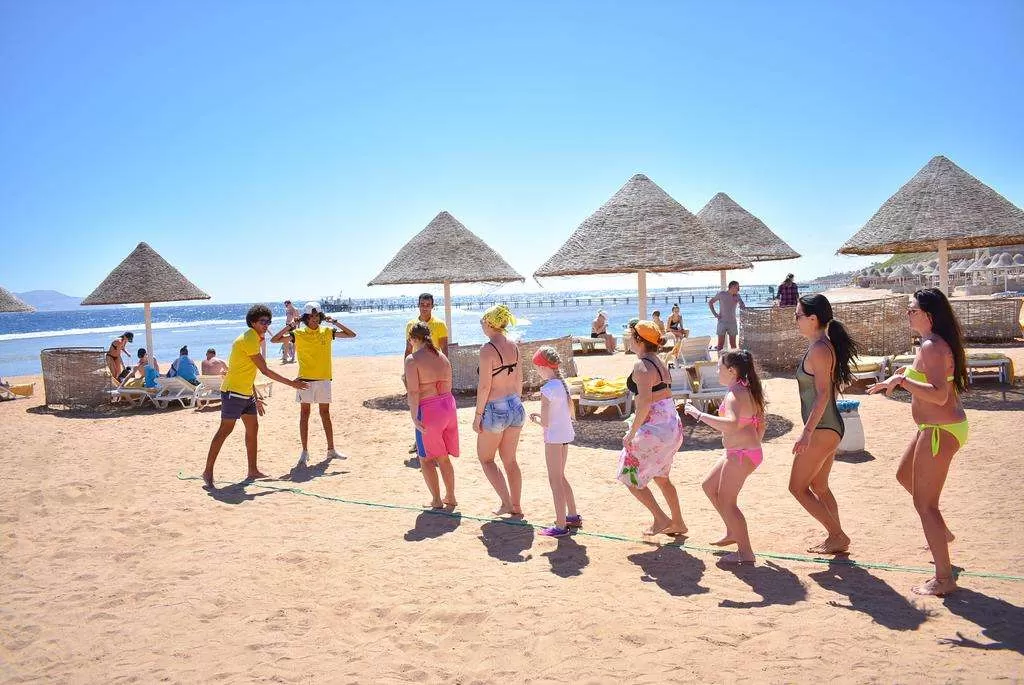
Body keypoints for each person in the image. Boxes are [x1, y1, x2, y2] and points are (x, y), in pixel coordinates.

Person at [868, 288, 968, 596]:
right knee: (904, 475)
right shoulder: (929, 344)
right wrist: (903, 374)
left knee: (925, 504)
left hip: (940, 429)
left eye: (912, 310)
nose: (908, 314)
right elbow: (928, 378)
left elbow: (939, 395)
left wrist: (902, 381)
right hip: (934, 427)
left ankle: (944, 578)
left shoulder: (932, 346)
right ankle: (942, 533)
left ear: (929, 315)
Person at [201, 305, 308, 488]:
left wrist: (255, 397)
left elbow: (246, 370)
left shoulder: (255, 338)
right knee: (225, 430)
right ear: (252, 322)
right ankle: (207, 471)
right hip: (233, 392)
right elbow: (264, 370)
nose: (266, 325)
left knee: (253, 429)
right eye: (262, 322)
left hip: (246, 393)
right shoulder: (250, 337)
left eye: (268, 322)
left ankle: (252, 470)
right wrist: (292, 383)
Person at [791, 294, 859, 555]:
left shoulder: (820, 349)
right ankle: (835, 538)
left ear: (812, 319)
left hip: (822, 429)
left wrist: (806, 433)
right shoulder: (820, 345)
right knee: (819, 487)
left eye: (798, 315)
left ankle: (837, 535)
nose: (795, 320)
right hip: (829, 427)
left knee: (797, 488)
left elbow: (822, 396)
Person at [684, 350, 766, 564]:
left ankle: (745, 553)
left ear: (731, 370)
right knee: (709, 486)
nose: (716, 371)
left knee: (727, 502)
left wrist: (699, 414)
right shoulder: (746, 388)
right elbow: (760, 422)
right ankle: (732, 531)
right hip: (741, 452)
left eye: (719, 367)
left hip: (741, 454)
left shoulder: (735, 394)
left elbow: (732, 424)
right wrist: (753, 444)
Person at [617, 320, 686, 536]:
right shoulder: (659, 361)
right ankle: (678, 523)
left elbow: (645, 403)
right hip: (671, 425)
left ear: (639, 340)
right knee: (662, 478)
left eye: (630, 335)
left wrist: (631, 433)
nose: (628, 338)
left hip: (655, 428)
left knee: (629, 476)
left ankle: (661, 519)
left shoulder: (641, 366)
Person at [270, 302, 356, 468]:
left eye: (317, 316)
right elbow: (274, 340)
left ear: (320, 317)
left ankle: (331, 449)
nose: (315, 319)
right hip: (305, 380)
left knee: (325, 414)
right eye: (311, 316)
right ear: (306, 318)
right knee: (305, 414)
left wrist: (334, 322)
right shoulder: (298, 333)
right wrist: (290, 325)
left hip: (324, 379)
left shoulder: (327, 331)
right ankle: (304, 451)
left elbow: (351, 334)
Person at [474, 304, 525, 517]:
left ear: (489, 323)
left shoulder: (487, 350)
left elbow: (485, 386)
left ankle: (506, 503)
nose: (481, 325)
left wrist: (478, 415)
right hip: (515, 405)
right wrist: (516, 403)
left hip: (496, 408)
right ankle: (516, 505)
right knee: (510, 460)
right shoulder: (514, 346)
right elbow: (519, 379)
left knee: (486, 459)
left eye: (482, 322)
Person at [405, 322, 458, 510]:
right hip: (448, 406)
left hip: (429, 409)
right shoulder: (442, 356)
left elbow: (413, 391)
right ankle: (450, 496)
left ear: (413, 339)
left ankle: (436, 499)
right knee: (443, 456)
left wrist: (414, 416)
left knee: (426, 458)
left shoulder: (412, 360)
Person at [529, 346, 580, 538]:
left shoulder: (547, 389)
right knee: (561, 477)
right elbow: (558, 414)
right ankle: (572, 516)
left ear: (543, 367)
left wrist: (536, 420)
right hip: (564, 436)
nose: (537, 371)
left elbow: (546, 422)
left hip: (553, 439)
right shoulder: (561, 385)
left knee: (555, 480)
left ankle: (560, 525)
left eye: (537, 368)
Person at [403, 293, 450, 455]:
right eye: (422, 304)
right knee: (417, 406)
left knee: (435, 406)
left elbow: (444, 350)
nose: (425, 307)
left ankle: (436, 441)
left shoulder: (440, 324)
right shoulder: (411, 325)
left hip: (434, 373)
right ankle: (418, 441)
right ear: (418, 305)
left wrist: (445, 373)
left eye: (427, 304)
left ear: (432, 306)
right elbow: (408, 349)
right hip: (416, 370)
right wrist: (406, 372)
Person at [708, 281, 746, 351]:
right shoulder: (722, 294)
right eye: (737, 287)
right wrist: (715, 314)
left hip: (732, 322)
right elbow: (710, 302)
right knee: (720, 345)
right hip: (722, 322)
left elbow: (743, 307)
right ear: (732, 287)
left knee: (733, 345)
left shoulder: (737, 296)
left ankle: (733, 358)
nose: (738, 289)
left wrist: (739, 300)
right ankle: (720, 358)